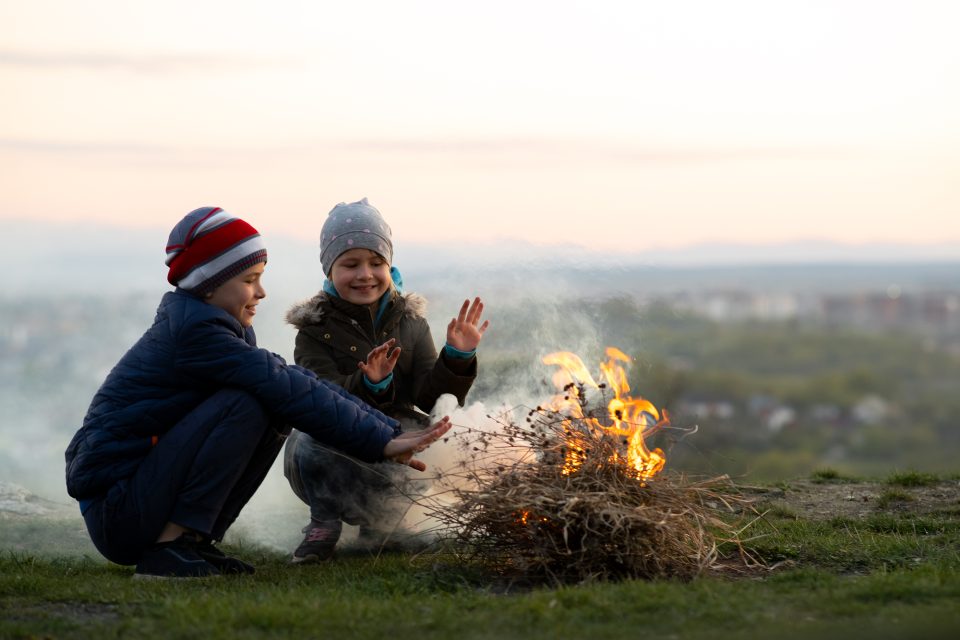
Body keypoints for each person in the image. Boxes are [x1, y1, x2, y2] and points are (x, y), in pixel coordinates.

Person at [64, 206, 451, 579]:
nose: (261, 292)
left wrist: (388, 431)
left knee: (268, 400)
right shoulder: (196, 334)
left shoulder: (213, 328)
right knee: (253, 400)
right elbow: (288, 384)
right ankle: (169, 548)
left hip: (134, 500)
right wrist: (382, 439)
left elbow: (295, 381)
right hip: (117, 510)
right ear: (210, 283)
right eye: (250, 280)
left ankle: (191, 541)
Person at [283, 198, 488, 563]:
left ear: (389, 265)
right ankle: (324, 521)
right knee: (309, 437)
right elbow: (319, 397)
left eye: (376, 263)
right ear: (330, 269)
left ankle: (380, 523)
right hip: (332, 450)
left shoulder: (411, 323)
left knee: (433, 435)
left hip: (393, 445)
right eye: (350, 264)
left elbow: (432, 400)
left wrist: (457, 356)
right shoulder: (314, 330)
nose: (365, 274)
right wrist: (369, 385)